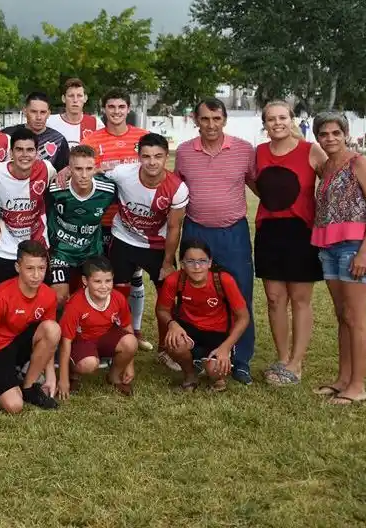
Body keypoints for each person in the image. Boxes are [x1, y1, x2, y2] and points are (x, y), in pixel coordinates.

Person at [173, 99, 257, 384]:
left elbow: (258, 184)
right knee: (195, 292)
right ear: (196, 120)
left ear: (225, 119)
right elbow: (176, 189)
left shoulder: (244, 149)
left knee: (241, 294)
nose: (211, 124)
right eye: (205, 119)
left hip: (233, 232)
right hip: (197, 230)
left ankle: (241, 359)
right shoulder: (184, 152)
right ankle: (198, 353)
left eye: (216, 118)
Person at [311, 112, 366, 405]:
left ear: (345, 134)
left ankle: (357, 386)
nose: (330, 138)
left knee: (355, 317)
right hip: (328, 247)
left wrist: (365, 250)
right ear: (317, 138)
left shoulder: (360, 163)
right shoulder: (325, 167)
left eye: (335, 133)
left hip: (355, 247)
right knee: (342, 316)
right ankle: (343, 379)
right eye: (324, 134)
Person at [255, 100, 326, 386]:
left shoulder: (312, 150)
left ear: (292, 119)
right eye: (271, 119)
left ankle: (297, 363)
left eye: (282, 117)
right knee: (274, 299)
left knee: (299, 299)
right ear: (265, 124)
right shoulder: (259, 152)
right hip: (269, 231)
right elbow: (257, 184)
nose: (277, 123)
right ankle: (282, 358)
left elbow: (332, 181)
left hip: (301, 232)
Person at [104, 133, 189, 368]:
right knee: (118, 294)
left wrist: (168, 263)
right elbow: (93, 170)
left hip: (157, 245)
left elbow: (174, 228)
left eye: (158, 156)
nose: (152, 162)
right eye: (146, 156)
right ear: (138, 157)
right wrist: (66, 172)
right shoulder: (123, 173)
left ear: (166, 157)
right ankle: (117, 345)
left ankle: (166, 349)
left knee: (168, 296)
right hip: (123, 239)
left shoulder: (177, 188)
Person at [82, 89, 151, 351]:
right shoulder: (92, 138)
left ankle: (134, 329)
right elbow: (86, 172)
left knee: (134, 275)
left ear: (128, 108)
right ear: (104, 109)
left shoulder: (141, 137)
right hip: (103, 219)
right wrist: (104, 170)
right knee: (104, 275)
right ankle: (102, 326)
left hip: (134, 220)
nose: (116, 111)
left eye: (121, 106)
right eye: (111, 107)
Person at [0, 240, 61, 412]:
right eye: (30, 268)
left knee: (53, 328)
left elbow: (50, 338)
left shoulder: (49, 295)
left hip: (21, 341)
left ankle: (29, 387)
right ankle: (11, 377)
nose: (36, 275)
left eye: (41, 268)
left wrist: (51, 376)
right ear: (18, 267)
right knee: (14, 406)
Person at [156, 239, 250, 393]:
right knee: (174, 343)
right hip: (190, 329)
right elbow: (162, 310)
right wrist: (172, 324)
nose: (197, 266)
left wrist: (225, 347)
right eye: (190, 261)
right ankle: (190, 375)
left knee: (215, 370)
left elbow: (244, 317)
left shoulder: (223, 280)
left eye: (202, 261)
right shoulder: (175, 280)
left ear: (210, 263)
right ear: (182, 264)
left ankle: (218, 380)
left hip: (218, 333)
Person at [0, 128, 57, 286]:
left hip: (37, 245)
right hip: (4, 249)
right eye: (19, 150)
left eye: (30, 150)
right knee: (2, 299)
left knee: (41, 299)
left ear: (37, 153)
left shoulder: (46, 169)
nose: (24, 155)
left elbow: (61, 181)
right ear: (11, 153)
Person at [47, 145, 117, 309]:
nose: (84, 175)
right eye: (78, 169)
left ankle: (84, 331)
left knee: (93, 296)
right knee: (60, 297)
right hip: (61, 251)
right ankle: (59, 332)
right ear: (69, 168)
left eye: (89, 168)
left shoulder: (108, 189)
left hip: (91, 251)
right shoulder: (56, 189)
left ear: (95, 168)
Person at [57, 257, 136, 398]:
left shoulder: (118, 298)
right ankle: (73, 375)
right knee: (89, 364)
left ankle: (114, 376)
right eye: (97, 281)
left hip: (105, 336)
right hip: (83, 340)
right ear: (85, 281)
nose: (104, 286)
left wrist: (130, 365)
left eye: (108, 281)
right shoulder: (75, 304)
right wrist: (62, 380)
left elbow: (127, 326)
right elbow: (66, 340)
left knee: (131, 342)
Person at [2, 92, 70, 171]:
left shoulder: (59, 140)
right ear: (25, 111)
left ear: (48, 114)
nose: (38, 117)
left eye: (43, 112)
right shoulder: (7, 135)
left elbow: (62, 173)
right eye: (33, 111)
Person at [46, 77, 103, 148]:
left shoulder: (96, 123)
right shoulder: (50, 122)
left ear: (85, 98)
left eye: (79, 96)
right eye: (71, 96)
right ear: (63, 98)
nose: (75, 100)